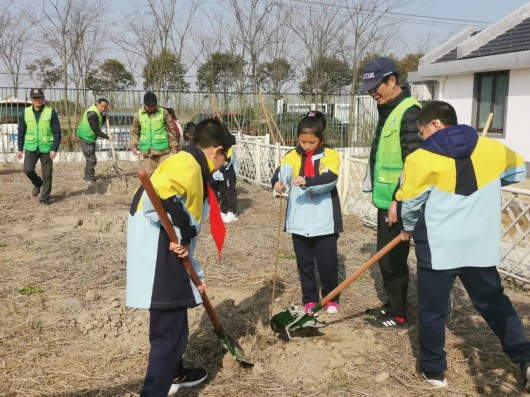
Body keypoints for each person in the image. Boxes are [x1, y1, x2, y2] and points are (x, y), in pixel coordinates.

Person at [396, 100, 530, 390]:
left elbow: (410, 204)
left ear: (434, 125)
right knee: (494, 302)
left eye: (422, 132)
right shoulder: (493, 148)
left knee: (433, 309)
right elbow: (519, 172)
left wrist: (407, 228)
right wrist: (491, 176)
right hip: (478, 244)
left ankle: (434, 370)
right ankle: (524, 356)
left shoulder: (420, 159)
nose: (422, 139)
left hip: (438, 245)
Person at [126, 118, 232, 396]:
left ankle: (174, 372)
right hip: (161, 254)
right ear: (216, 151)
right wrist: (183, 233)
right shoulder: (187, 164)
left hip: (169, 250)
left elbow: (182, 212)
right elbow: (160, 196)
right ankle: (154, 391)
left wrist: (195, 268)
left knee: (174, 325)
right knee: (169, 333)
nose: (223, 163)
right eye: (225, 157)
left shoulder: (190, 164)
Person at [360, 56, 422, 328]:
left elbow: (414, 161)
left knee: (393, 259)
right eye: (370, 89)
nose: (374, 93)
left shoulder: (410, 111)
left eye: (377, 87)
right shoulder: (389, 109)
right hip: (388, 199)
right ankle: (392, 305)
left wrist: (400, 199)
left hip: (399, 201)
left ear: (392, 80)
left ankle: (398, 314)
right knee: (386, 257)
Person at [271, 111, 343, 315]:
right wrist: (278, 182)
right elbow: (282, 171)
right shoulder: (292, 155)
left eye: (311, 142)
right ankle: (309, 299)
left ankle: (331, 297)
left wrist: (308, 181)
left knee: (328, 263)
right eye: (303, 142)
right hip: (300, 219)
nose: (307, 146)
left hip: (324, 220)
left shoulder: (331, 155)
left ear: (321, 137)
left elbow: (330, 178)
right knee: (305, 264)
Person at [17, 88, 61, 205]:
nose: (37, 100)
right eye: (35, 98)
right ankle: (37, 183)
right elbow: (21, 131)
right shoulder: (25, 112)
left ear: (43, 98)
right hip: (31, 147)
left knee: (47, 174)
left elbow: (57, 132)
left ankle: (44, 198)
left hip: (46, 148)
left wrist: (54, 148)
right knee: (27, 169)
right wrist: (20, 148)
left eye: (39, 97)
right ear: (31, 99)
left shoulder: (50, 112)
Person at [130, 92, 179, 175]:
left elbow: (171, 131)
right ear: (144, 104)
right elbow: (134, 132)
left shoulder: (164, 113)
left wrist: (174, 147)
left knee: (164, 175)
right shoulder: (138, 115)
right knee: (149, 177)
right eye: (149, 106)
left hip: (163, 152)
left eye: (154, 105)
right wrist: (134, 145)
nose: (152, 107)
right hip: (147, 152)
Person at [76, 98, 110, 183]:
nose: (103, 109)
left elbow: (98, 122)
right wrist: (107, 137)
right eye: (102, 106)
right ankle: (88, 178)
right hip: (86, 137)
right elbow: (96, 130)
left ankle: (90, 176)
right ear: (97, 104)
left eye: (105, 107)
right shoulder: (92, 113)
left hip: (90, 137)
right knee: (91, 159)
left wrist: (104, 118)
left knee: (91, 158)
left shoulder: (98, 112)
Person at [212, 132, 238, 223]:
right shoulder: (216, 146)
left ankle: (232, 212)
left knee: (230, 193)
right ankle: (223, 210)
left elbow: (227, 162)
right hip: (219, 176)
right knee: (222, 194)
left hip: (228, 175)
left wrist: (219, 166)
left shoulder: (229, 147)